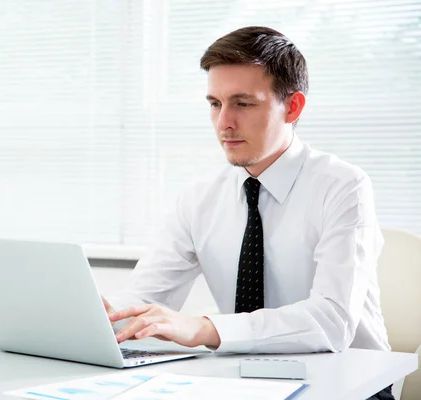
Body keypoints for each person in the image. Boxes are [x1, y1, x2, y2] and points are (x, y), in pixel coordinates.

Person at [103, 26, 394, 400]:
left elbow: (331, 321)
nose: (224, 123)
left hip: (349, 384)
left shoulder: (343, 186)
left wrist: (205, 328)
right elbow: (147, 299)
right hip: (243, 382)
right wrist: (105, 316)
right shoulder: (198, 198)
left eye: (243, 103)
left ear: (292, 107)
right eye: (214, 104)